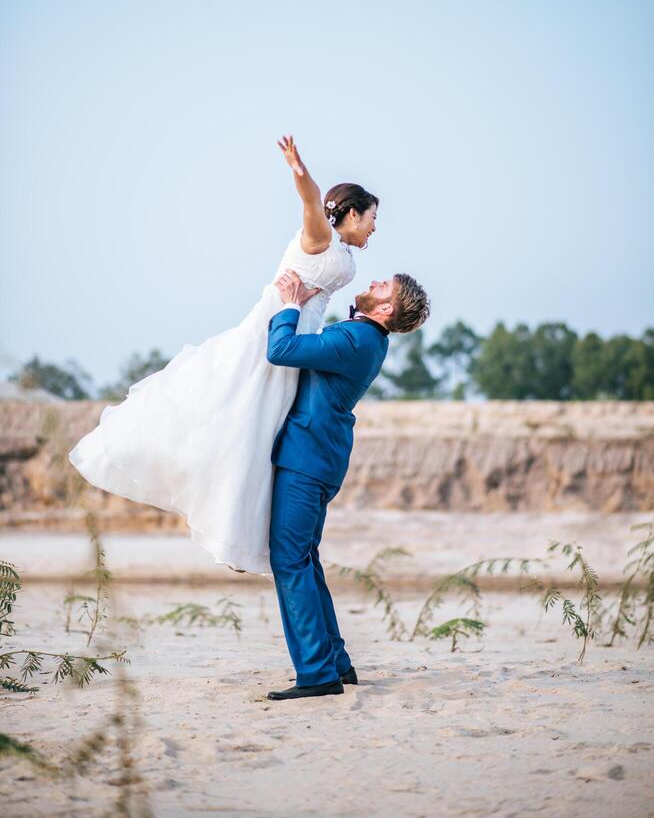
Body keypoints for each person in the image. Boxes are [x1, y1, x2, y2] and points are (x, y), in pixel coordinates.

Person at [68, 136, 379, 575]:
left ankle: (240, 532)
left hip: (299, 332)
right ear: (350, 212)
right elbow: (310, 200)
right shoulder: (319, 236)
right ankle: (227, 525)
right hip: (276, 326)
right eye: (371, 218)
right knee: (241, 420)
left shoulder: (338, 250)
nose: (373, 227)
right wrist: (299, 168)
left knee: (262, 429)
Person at [265, 267, 430, 700]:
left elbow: (281, 350)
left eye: (382, 287)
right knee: (304, 559)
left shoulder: (358, 339)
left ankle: (318, 674)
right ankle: (336, 663)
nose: (374, 282)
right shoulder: (367, 338)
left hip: (307, 459)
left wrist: (289, 305)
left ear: (387, 307)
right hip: (319, 457)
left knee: (289, 561)